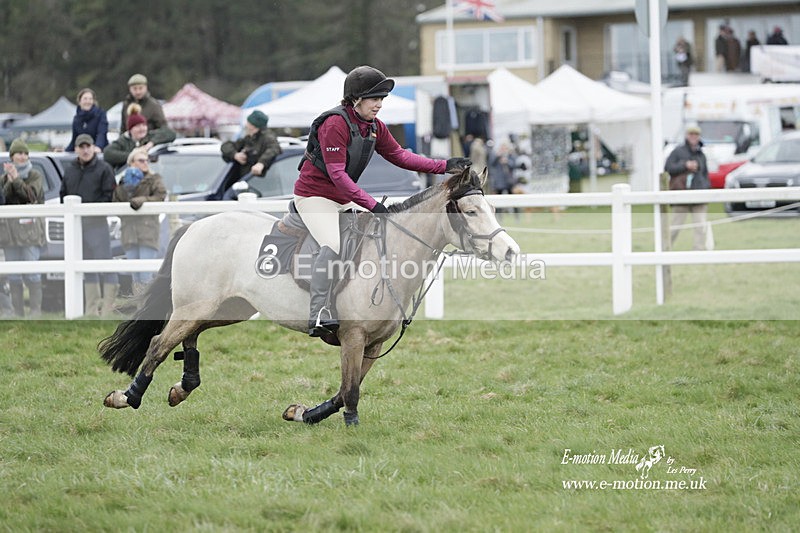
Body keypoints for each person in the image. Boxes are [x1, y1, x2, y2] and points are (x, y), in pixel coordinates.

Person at [294, 65, 470, 337]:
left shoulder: (374, 127)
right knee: (332, 244)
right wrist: (372, 204)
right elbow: (338, 175)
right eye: (374, 98)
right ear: (356, 99)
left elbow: (401, 156)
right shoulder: (334, 124)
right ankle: (319, 311)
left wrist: (444, 165)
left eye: (381, 99)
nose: (379, 104)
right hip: (315, 197)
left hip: (342, 198)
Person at [61, 133, 118, 316]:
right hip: (77, 228)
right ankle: (91, 309)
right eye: (81, 147)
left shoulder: (104, 168)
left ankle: (108, 307)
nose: (85, 150)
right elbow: (64, 194)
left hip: (97, 224)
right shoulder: (70, 170)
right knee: (85, 265)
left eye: (88, 146)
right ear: (76, 149)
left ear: (93, 147)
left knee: (105, 263)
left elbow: (109, 196)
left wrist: (90, 210)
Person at [0, 139, 45, 317]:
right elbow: (4, 198)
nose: (23, 156)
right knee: (14, 276)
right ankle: (17, 313)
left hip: (30, 232)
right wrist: (9, 180)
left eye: (25, 153)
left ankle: (35, 312)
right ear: (12, 156)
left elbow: (31, 196)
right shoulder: (3, 178)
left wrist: (16, 179)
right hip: (9, 234)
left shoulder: (35, 175)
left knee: (32, 274)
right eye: (19, 153)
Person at [112, 147, 166, 291]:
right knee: (135, 275)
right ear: (131, 162)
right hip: (129, 232)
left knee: (145, 275)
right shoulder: (123, 182)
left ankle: (147, 308)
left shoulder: (154, 179)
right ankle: (139, 308)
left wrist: (142, 200)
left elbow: (160, 197)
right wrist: (126, 186)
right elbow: (116, 202)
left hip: (147, 231)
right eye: (141, 160)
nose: (145, 163)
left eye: (146, 160)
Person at [664, 125, 711, 251]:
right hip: (682, 194)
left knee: (700, 226)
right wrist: (685, 165)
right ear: (686, 135)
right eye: (691, 134)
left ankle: (699, 250)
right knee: (675, 226)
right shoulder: (678, 151)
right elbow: (668, 168)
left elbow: (705, 174)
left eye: (696, 135)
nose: (693, 137)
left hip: (699, 195)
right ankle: (665, 248)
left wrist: (706, 188)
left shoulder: (701, 154)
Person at [103, 103, 176, 168]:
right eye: (137, 126)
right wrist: (134, 155)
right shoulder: (123, 141)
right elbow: (107, 153)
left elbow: (170, 133)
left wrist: (151, 143)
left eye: (144, 125)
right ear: (130, 129)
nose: (142, 129)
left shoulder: (150, 136)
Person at [220, 110, 281, 182]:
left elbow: (275, 148)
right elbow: (226, 146)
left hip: (262, 184)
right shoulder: (248, 138)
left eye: (248, 123)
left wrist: (261, 163)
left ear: (252, 125)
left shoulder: (267, 137)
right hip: (247, 181)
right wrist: (235, 155)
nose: (246, 125)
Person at [65, 88, 109, 152]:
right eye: (85, 99)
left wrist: (98, 147)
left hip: (99, 151)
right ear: (79, 101)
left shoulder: (101, 114)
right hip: (83, 151)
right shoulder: (76, 119)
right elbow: (74, 140)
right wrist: (65, 151)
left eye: (90, 99)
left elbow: (101, 134)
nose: (88, 101)